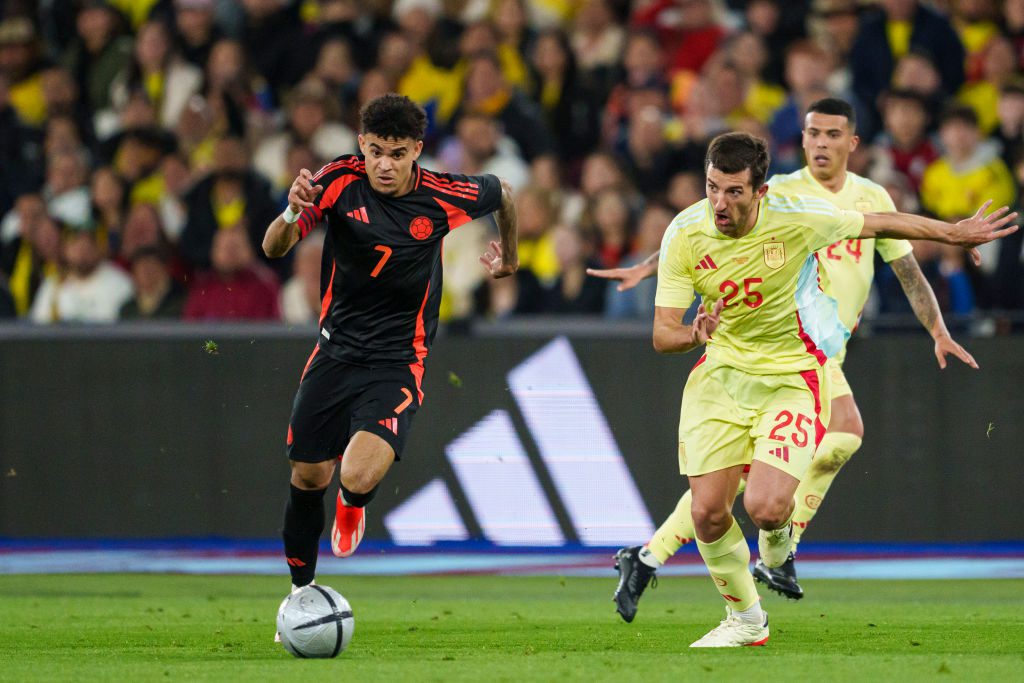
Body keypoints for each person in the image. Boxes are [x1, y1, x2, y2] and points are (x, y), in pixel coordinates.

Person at [590, 130, 1013, 646]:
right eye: (712, 188)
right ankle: (746, 620)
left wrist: (955, 233)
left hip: (791, 377)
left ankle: (775, 544)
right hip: (720, 378)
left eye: (734, 192)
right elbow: (662, 334)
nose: (720, 203)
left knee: (766, 505)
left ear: (760, 192)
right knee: (706, 511)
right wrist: (694, 333)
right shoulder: (684, 233)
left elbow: (884, 223)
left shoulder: (797, 219)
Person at [261, 94, 517, 607]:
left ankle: (354, 503)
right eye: (376, 150)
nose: (384, 164)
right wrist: (292, 208)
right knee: (308, 475)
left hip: (399, 358)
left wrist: (509, 257)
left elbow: (504, 194)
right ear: (361, 145)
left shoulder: (443, 195)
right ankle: (300, 592)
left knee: (353, 473)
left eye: (397, 153)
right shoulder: (336, 181)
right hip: (335, 352)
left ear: (417, 151)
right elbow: (273, 248)